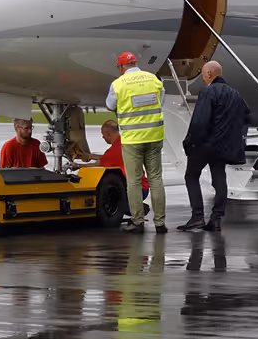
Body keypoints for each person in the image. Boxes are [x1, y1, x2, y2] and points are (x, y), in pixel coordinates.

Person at [179, 60, 250, 232]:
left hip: (206, 144)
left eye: (203, 74)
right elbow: (245, 117)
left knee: (191, 176)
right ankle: (216, 218)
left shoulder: (208, 92)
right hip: (224, 145)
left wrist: (190, 141)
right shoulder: (236, 95)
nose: (203, 78)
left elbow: (200, 121)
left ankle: (197, 217)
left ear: (210, 74)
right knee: (219, 178)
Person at [107, 52, 167, 233]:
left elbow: (110, 106)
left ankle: (138, 222)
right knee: (155, 179)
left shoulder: (118, 84)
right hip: (154, 136)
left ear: (121, 67)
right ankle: (160, 223)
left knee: (133, 182)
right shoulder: (153, 79)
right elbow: (160, 100)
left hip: (132, 140)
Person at [81, 119, 150, 229]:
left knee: (116, 201)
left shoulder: (114, 150)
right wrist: (92, 155)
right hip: (144, 186)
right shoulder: (124, 143)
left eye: (103, 135)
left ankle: (135, 209)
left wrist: (77, 166)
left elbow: (99, 163)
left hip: (137, 190)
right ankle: (136, 207)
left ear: (108, 133)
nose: (103, 138)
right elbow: (108, 158)